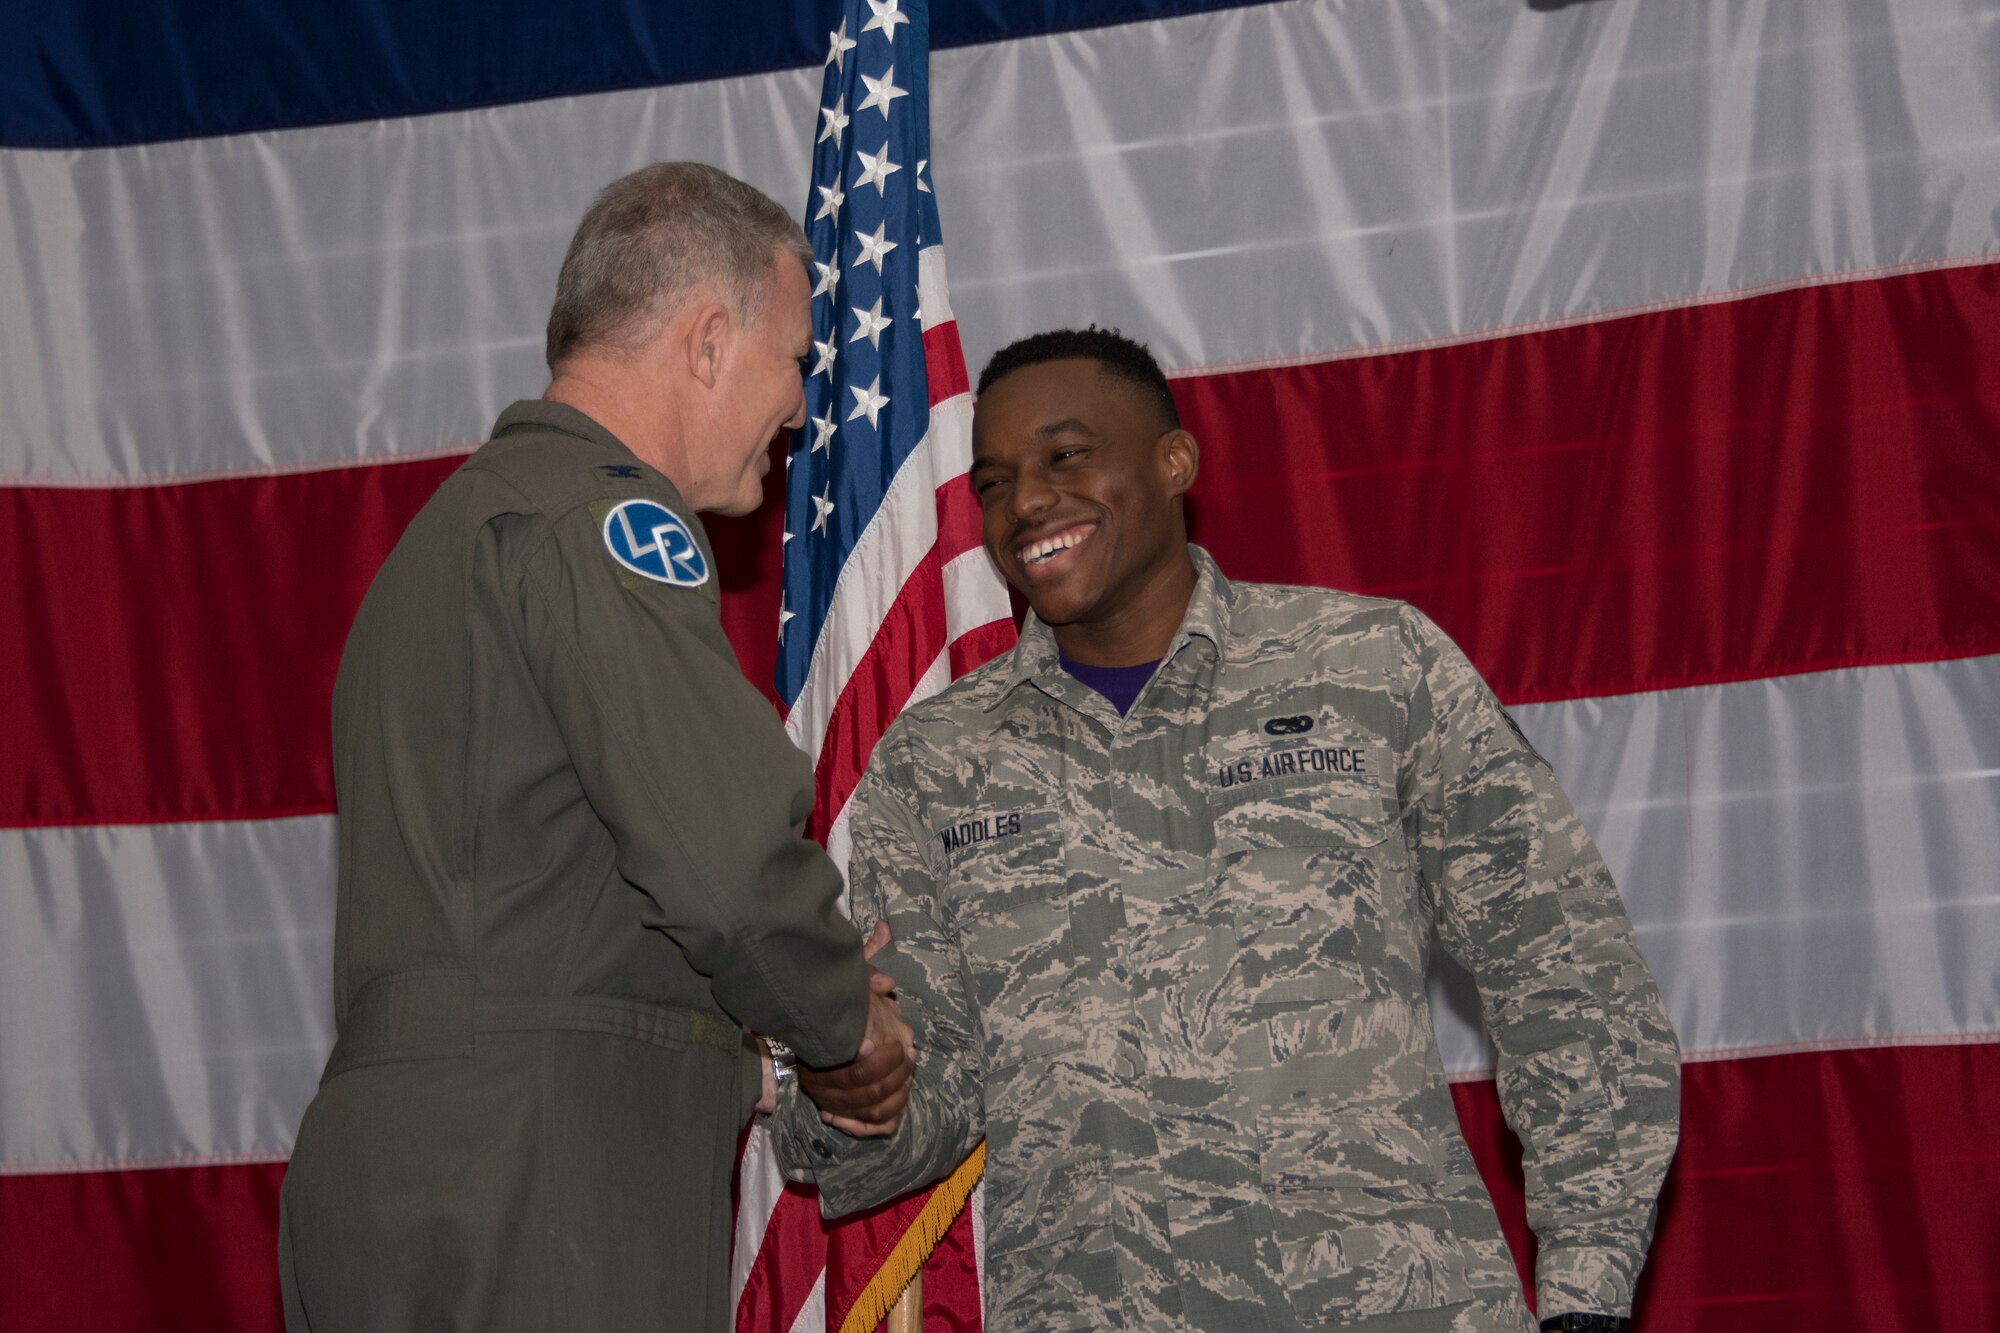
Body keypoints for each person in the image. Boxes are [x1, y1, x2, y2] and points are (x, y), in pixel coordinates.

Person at [775, 328, 1680, 1331]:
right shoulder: (933, 763)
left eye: (1065, 456)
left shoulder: (1371, 667)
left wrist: (1586, 1296)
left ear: (1172, 462)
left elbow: (1567, 978)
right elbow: (931, 1091)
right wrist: (853, 1091)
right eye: (994, 481)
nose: (1026, 501)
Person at [279, 162, 912, 1332]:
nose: (799, 409)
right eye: (796, 362)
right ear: (709, 340)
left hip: (423, 1169)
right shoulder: (604, 523)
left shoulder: (454, 535)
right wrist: (840, 1021)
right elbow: (722, 862)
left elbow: (546, 919)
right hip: (539, 1180)